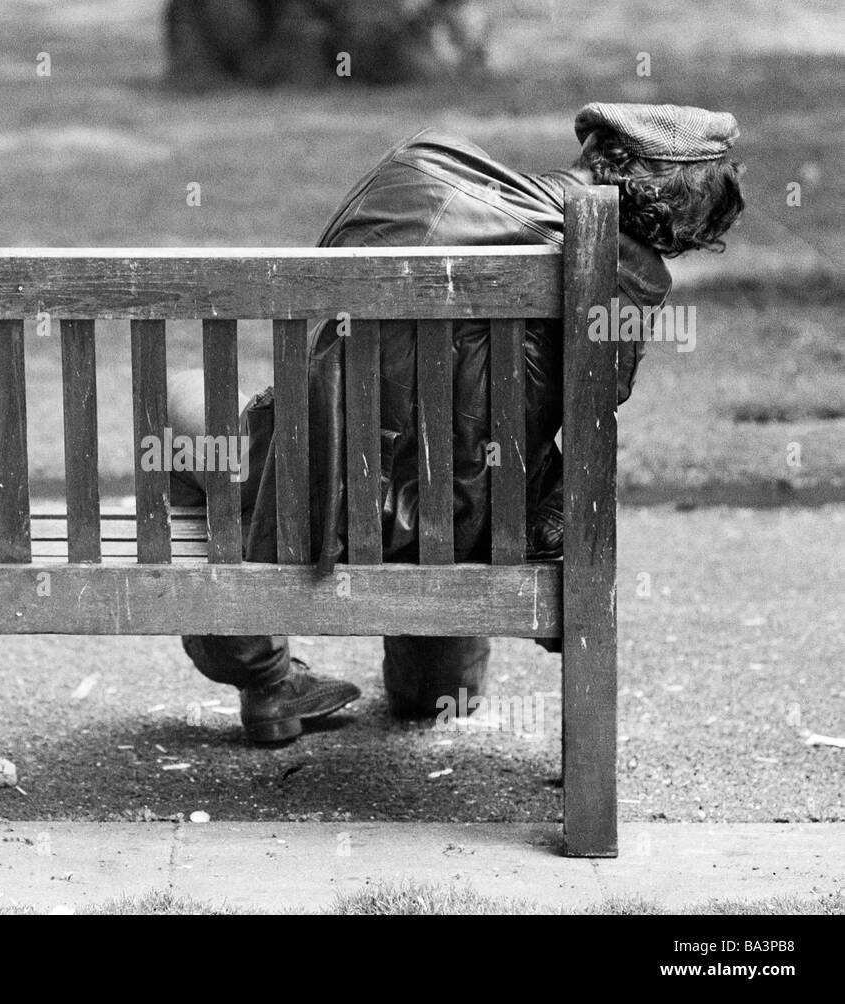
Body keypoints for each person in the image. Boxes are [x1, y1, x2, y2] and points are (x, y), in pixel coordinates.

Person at [170, 102, 745, 745]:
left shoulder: (423, 182)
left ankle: (265, 678)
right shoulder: (626, 287)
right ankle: (432, 690)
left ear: (595, 154)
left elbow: (328, 266)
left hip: (318, 499)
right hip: (468, 524)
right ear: (678, 217)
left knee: (184, 397)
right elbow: (590, 420)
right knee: (441, 682)